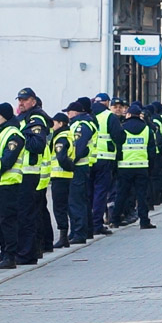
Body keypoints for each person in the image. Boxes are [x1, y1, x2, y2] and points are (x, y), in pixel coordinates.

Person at [112, 103, 157, 229]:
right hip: (142, 167)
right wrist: (150, 168)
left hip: (124, 167)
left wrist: (116, 166)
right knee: (141, 196)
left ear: (129, 115)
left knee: (121, 194)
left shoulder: (122, 128)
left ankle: (115, 219)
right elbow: (152, 151)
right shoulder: (147, 129)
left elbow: (118, 148)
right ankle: (144, 221)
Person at [0, 103, 24, 269]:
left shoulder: (14, 134)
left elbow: (7, 160)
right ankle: (4, 253)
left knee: (7, 221)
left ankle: (11, 256)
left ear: (5, 116)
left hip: (9, 184)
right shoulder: (0, 132)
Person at [66, 98, 97, 244]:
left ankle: (79, 233)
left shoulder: (81, 125)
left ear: (74, 112)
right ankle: (85, 231)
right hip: (82, 167)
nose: (67, 115)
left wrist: (69, 163)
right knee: (82, 200)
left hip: (78, 167)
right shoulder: (85, 122)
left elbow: (78, 147)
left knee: (76, 201)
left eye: (68, 112)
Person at [49, 113, 74, 248]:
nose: (52, 126)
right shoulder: (66, 135)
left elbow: (62, 158)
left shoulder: (61, 138)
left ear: (61, 123)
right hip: (64, 176)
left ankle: (63, 237)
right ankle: (64, 236)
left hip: (60, 176)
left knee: (59, 207)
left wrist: (70, 167)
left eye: (54, 123)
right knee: (63, 206)